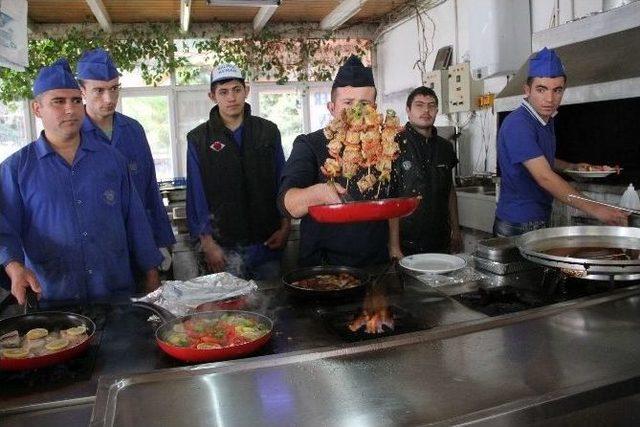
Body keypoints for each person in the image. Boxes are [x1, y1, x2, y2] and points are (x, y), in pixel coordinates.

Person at [0, 58, 163, 304]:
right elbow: (4, 229)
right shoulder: (16, 169)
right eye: (58, 101)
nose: (70, 109)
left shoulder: (112, 161)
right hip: (54, 299)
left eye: (76, 100)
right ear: (37, 109)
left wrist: (151, 272)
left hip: (115, 296)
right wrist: (14, 267)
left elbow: (135, 221)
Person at [494, 47, 628, 237]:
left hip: (536, 218)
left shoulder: (544, 119)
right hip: (518, 225)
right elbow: (544, 176)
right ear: (527, 90)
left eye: (557, 90)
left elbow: (537, 157)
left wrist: (571, 166)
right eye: (541, 89)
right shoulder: (519, 124)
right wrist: (597, 209)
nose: (549, 99)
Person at [279, 55, 391, 267]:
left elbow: (392, 200)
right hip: (324, 266)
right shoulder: (309, 144)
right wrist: (319, 192)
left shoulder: (382, 146)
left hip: (376, 263)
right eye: (347, 103)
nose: (356, 111)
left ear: (374, 109)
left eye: (364, 103)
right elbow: (288, 204)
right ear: (331, 107)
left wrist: (394, 247)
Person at [186, 63, 290, 280]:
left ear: (247, 91)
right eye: (223, 92)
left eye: (236, 90)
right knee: (231, 310)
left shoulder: (268, 132)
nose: (231, 98)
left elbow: (284, 181)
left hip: (267, 243)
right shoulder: (198, 139)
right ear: (212, 96)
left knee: (270, 304)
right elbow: (196, 194)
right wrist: (207, 242)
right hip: (223, 250)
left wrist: (285, 226)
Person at [76, 48, 175, 270]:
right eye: (98, 91)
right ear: (81, 90)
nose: (109, 99)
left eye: (114, 89)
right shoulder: (72, 135)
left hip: (140, 244)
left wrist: (162, 241)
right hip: (96, 250)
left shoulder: (133, 130)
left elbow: (150, 188)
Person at [388, 86, 461, 258]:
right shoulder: (394, 145)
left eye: (431, 105)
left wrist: (456, 229)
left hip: (440, 239)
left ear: (437, 110)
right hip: (406, 242)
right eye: (419, 105)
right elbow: (392, 198)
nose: (426, 110)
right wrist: (394, 245)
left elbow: (449, 190)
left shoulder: (445, 147)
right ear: (408, 110)